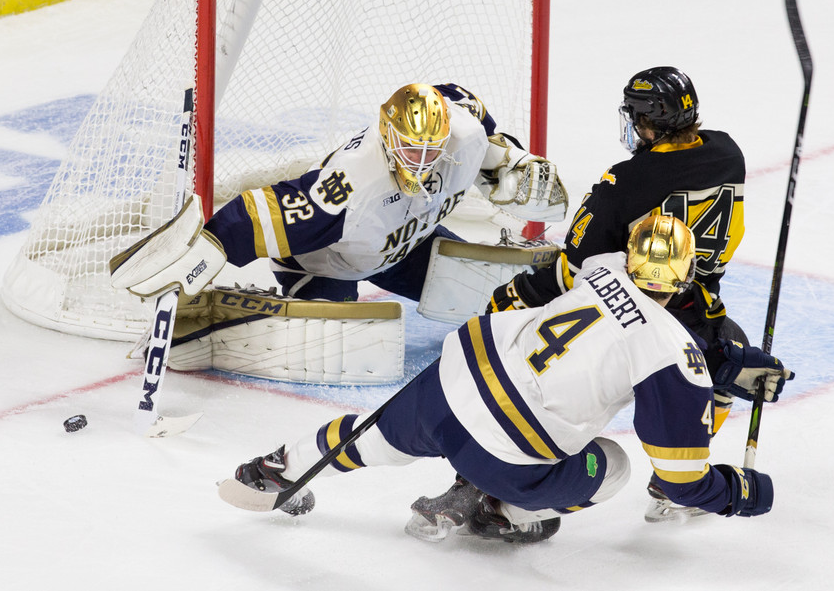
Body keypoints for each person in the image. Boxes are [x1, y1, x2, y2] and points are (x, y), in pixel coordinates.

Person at [220, 216, 791, 543]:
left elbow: (617, 324)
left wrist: (722, 364)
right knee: (613, 466)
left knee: (371, 439)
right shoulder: (672, 351)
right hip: (510, 455)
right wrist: (744, 492)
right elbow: (682, 477)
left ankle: (272, 470)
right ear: (687, 278)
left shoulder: (603, 267)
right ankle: (502, 511)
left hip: (452, 385)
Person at [484, 67, 755, 520]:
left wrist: (516, 295)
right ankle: (676, 481)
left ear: (650, 121)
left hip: (626, 320)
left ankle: (486, 487)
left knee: (525, 355)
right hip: (698, 319)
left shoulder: (627, 181)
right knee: (724, 365)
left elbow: (574, 268)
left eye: (634, 115)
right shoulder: (728, 152)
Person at [203, 82, 568, 305]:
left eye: (432, 148)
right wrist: (201, 254)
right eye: (411, 149)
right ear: (387, 135)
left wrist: (508, 158)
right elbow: (256, 217)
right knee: (343, 344)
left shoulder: (464, 132)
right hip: (329, 265)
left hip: (408, 245)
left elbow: (456, 102)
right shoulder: (352, 184)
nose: (423, 161)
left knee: (499, 298)